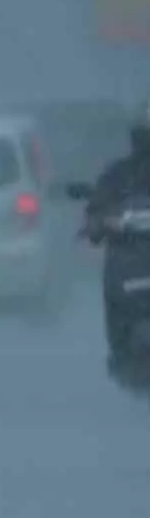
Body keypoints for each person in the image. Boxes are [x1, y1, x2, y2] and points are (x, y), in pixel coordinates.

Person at [83, 101, 150, 374]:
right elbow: (98, 206)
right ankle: (122, 345)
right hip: (129, 254)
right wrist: (97, 222)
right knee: (116, 294)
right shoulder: (118, 173)